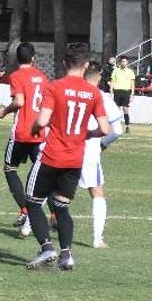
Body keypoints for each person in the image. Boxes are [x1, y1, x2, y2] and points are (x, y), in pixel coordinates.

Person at [24, 49, 112, 270]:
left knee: (32, 202)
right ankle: (67, 255)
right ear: (85, 66)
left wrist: (34, 128)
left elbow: (42, 121)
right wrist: (88, 134)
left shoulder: (54, 87)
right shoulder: (93, 93)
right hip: (74, 161)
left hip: (51, 156)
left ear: (64, 62)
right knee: (61, 207)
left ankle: (47, 248)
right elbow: (105, 128)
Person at [0, 43, 48, 237]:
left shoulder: (17, 76)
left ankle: (25, 209)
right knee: (44, 173)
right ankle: (55, 213)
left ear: (17, 59)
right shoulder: (43, 78)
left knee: (10, 169)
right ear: (33, 58)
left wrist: (4, 111)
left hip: (22, 132)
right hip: (39, 132)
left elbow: (19, 101)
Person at [80, 61, 125, 249]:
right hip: (89, 150)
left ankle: (28, 226)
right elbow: (117, 130)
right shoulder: (102, 97)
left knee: (53, 188)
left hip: (66, 147)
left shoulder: (70, 90)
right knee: (97, 192)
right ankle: (97, 239)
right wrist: (102, 144)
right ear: (98, 76)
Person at [109, 55, 135, 132]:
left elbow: (132, 83)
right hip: (117, 91)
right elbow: (112, 81)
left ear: (127, 62)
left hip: (126, 92)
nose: (123, 63)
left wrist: (132, 94)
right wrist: (111, 91)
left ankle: (127, 126)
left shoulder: (130, 72)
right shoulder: (116, 71)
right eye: (122, 61)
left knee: (125, 109)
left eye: (125, 61)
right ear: (120, 62)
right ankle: (115, 126)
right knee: (116, 109)